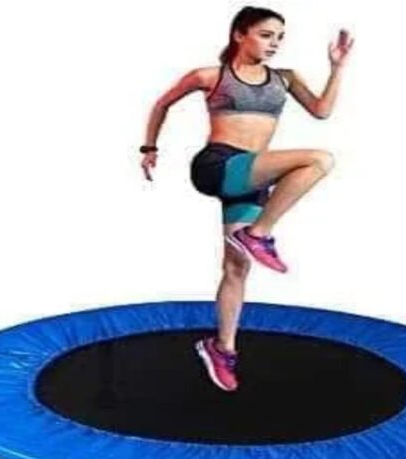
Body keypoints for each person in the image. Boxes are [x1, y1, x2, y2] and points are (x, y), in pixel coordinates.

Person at [140, 6, 354, 391]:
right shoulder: (211, 75)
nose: (274, 44)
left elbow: (321, 111)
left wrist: (337, 67)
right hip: (217, 165)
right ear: (240, 34)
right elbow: (162, 103)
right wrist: (149, 148)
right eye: (266, 35)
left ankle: (221, 348)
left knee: (236, 267)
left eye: (279, 38)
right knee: (319, 159)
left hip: (252, 177)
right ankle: (258, 234)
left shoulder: (285, 79)